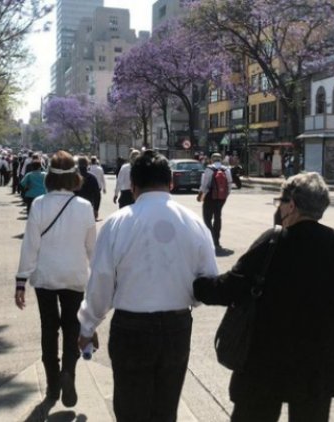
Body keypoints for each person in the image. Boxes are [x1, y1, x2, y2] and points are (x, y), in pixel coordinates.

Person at [193, 172, 334, 422]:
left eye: (280, 201)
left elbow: (229, 288)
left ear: (291, 205)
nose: (278, 207)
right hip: (318, 369)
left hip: (265, 364)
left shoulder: (274, 241)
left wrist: (196, 285)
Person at [77, 150, 217, 422]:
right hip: (176, 326)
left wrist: (87, 326)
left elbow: (101, 282)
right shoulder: (194, 222)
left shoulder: (118, 222)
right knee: (165, 411)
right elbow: (208, 280)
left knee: (130, 410)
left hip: (131, 328)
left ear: (134, 185)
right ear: (171, 183)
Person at [15, 151, 96, 407]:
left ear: (49, 177)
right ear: (75, 178)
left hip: (45, 277)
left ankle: (52, 384)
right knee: (73, 327)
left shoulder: (39, 203)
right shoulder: (85, 207)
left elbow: (30, 245)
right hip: (75, 276)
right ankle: (68, 373)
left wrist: (20, 281)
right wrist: (98, 280)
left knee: (49, 329)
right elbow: (92, 248)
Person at [197, 152, 233, 255]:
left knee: (207, 218)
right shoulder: (226, 169)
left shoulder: (209, 169)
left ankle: (211, 239)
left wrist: (200, 195)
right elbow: (230, 184)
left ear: (212, 159)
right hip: (221, 198)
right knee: (218, 217)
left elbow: (205, 185)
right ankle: (217, 241)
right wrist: (225, 196)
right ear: (220, 159)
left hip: (210, 197)